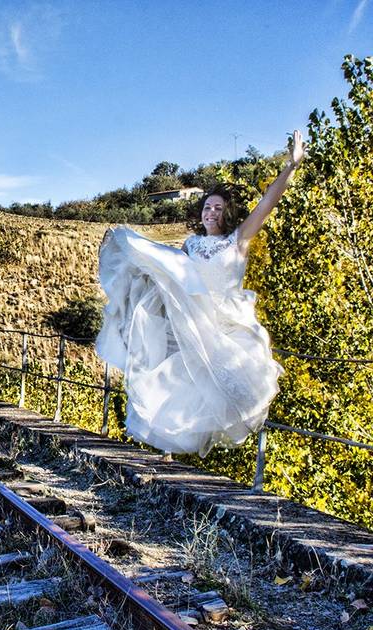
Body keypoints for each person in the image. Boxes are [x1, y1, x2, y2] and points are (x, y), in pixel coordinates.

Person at [96, 131, 305, 456]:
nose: (210, 212)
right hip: (194, 322)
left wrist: (291, 166)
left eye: (217, 208)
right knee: (175, 379)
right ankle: (169, 444)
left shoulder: (237, 240)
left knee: (234, 385)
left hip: (226, 324)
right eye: (207, 207)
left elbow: (267, 203)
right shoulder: (190, 244)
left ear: (227, 212)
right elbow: (173, 276)